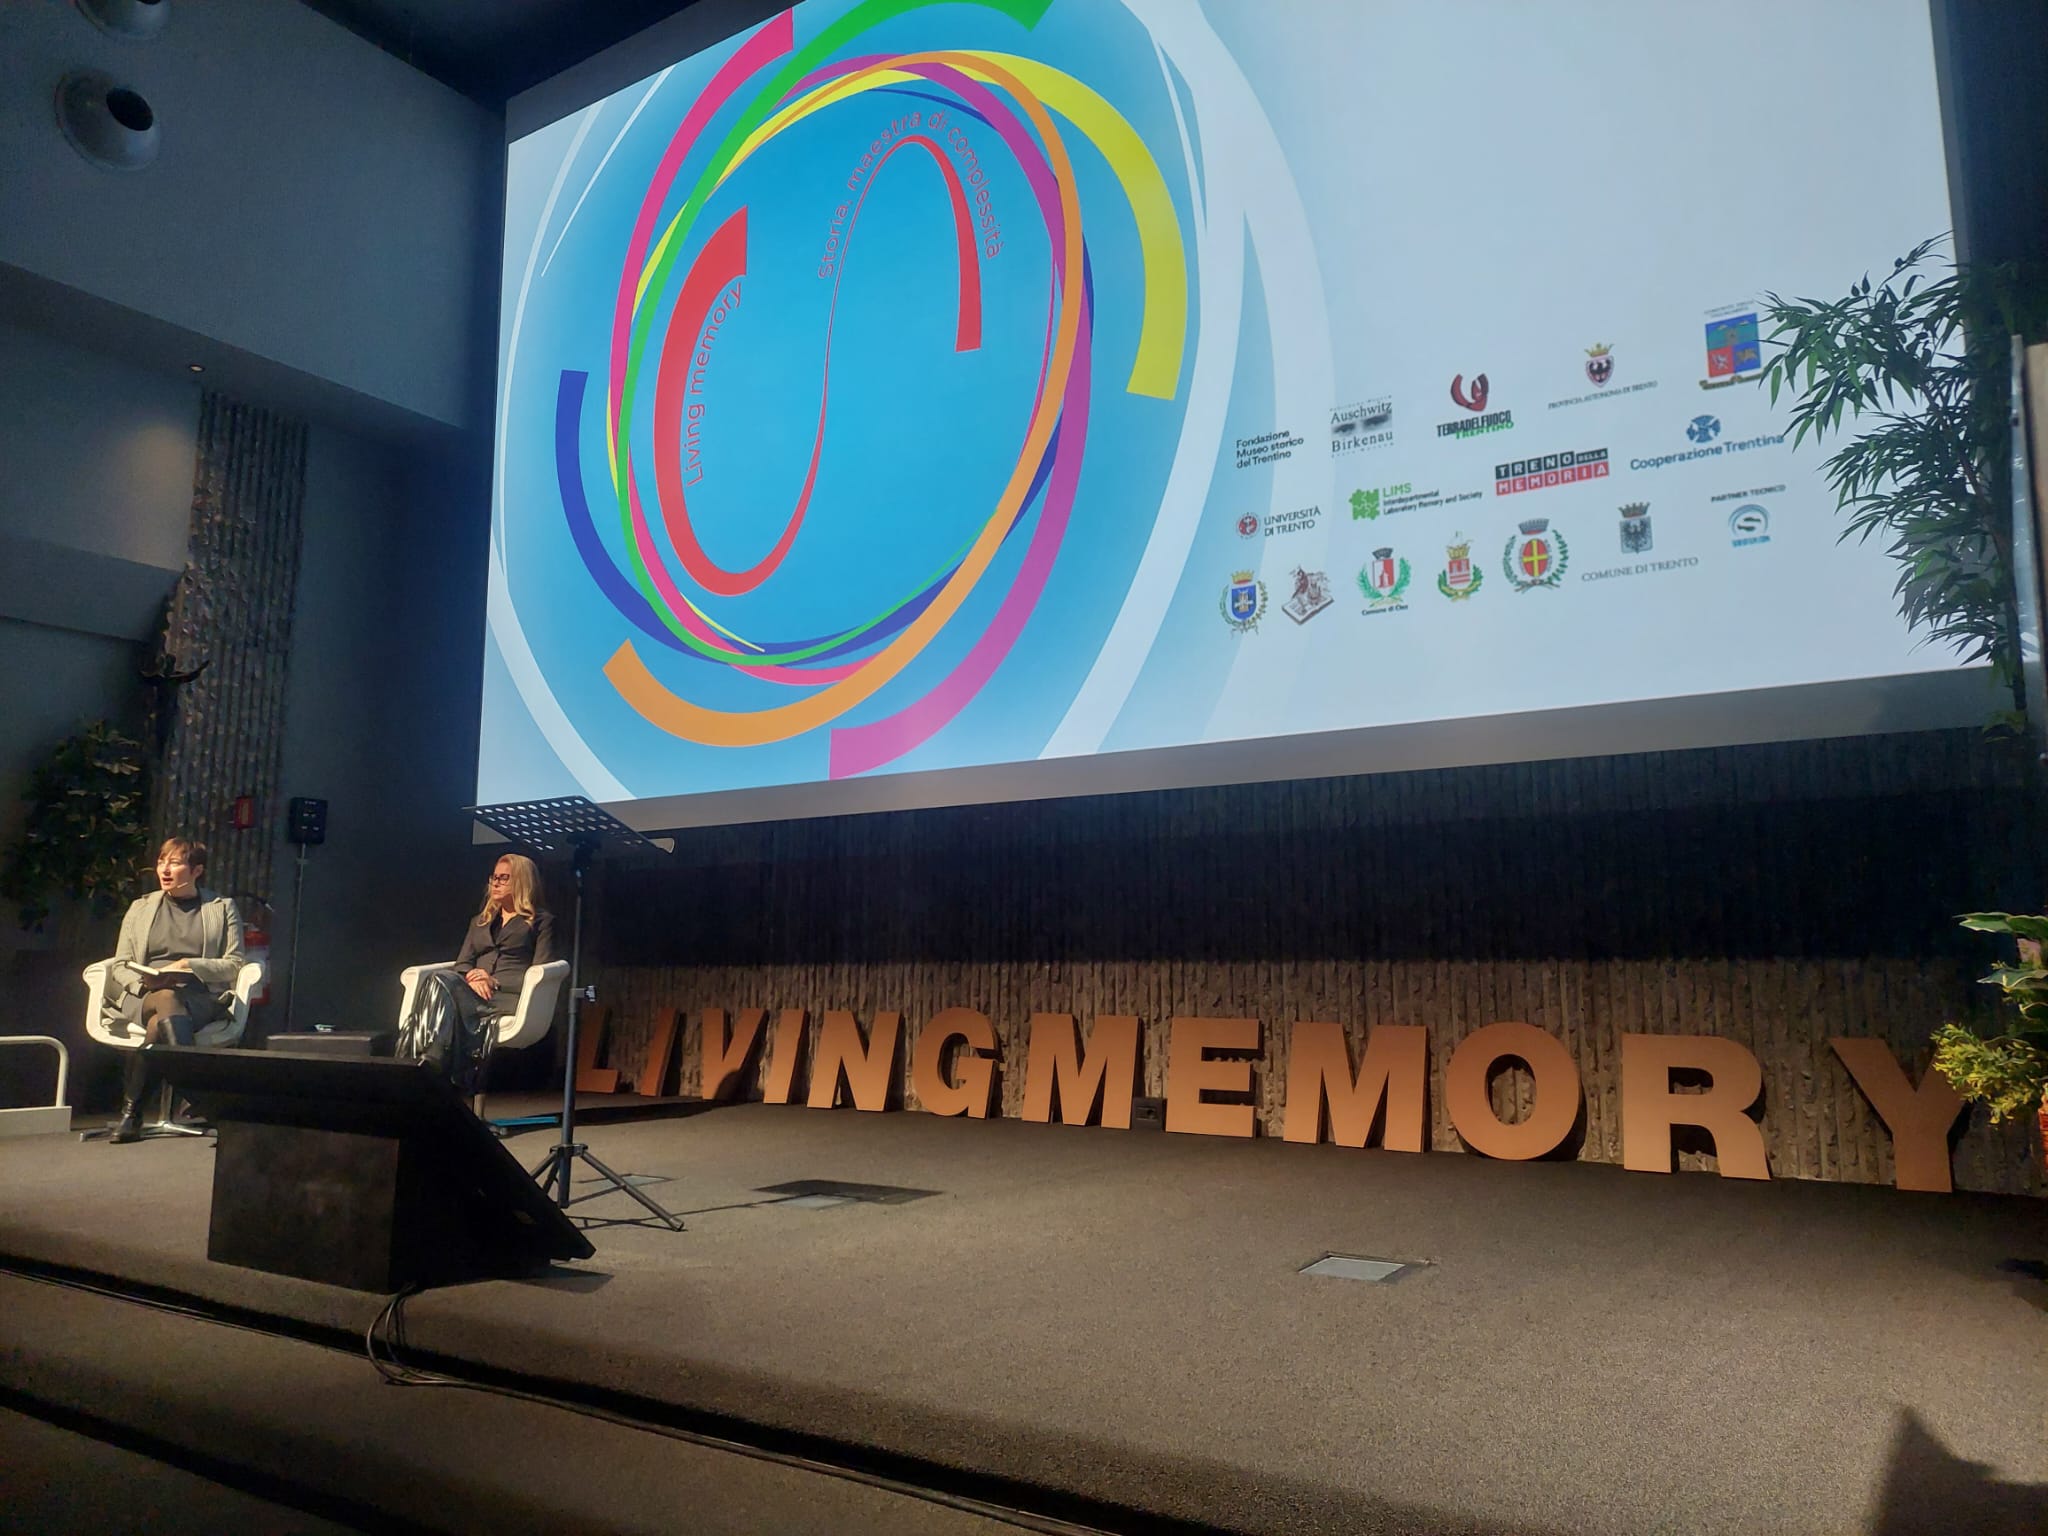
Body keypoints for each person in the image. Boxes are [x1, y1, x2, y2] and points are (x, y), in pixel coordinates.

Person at [103, 837, 245, 1144]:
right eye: (161, 862)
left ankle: (132, 1115)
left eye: (175, 863)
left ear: (196, 871)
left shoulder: (221, 908)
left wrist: (190, 965)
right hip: (145, 994)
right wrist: (142, 983)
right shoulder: (141, 908)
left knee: (159, 1023)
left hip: (198, 997)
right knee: (165, 998)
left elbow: (234, 964)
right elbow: (121, 964)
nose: (165, 870)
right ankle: (199, 1095)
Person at [407, 853, 555, 1100]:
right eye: (493, 877)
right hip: (472, 995)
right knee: (438, 979)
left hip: (508, 998)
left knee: (440, 989)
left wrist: (493, 980)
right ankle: (432, 1067)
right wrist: (474, 978)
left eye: (504, 878)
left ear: (522, 881)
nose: (495, 883)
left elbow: (542, 973)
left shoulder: (540, 922)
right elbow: (462, 964)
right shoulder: (480, 921)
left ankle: (428, 1064)